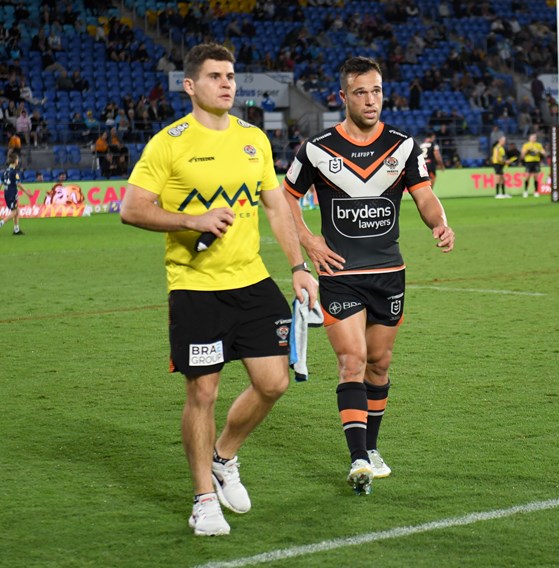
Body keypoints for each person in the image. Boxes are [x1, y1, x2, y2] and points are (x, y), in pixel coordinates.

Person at [119, 43, 319, 537]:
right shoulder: (169, 143)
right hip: (195, 287)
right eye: (215, 76)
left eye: (231, 75)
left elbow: (275, 207)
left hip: (251, 280)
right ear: (191, 86)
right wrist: (194, 219)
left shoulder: (253, 140)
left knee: (274, 382)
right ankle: (203, 500)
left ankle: (223, 457)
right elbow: (132, 208)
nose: (227, 83)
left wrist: (298, 265)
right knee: (202, 392)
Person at [282, 56, 455, 496]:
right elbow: (283, 201)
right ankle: (357, 457)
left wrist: (439, 223)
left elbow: (425, 195)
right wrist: (309, 241)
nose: (371, 99)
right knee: (352, 361)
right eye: (360, 92)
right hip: (339, 275)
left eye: (376, 90)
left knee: (379, 363)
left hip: (389, 275)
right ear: (343, 97)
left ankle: (372, 450)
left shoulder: (403, 146)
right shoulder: (317, 150)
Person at [1, 153, 31, 235]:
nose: (18, 161)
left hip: (6, 193)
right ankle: (1, 223)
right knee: (14, 212)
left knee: (17, 210)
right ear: (15, 161)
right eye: (17, 159)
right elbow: (18, 184)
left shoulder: (4, 172)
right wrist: (27, 192)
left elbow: (0, 184)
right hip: (12, 193)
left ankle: (16, 230)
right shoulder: (14, 172)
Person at [519, 132, 546, 198]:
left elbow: (544, 153)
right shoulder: (526, 145)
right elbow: (522, 156)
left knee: (536, 177)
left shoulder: (538, 145)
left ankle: (536, 191)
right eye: (533, 137)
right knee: (527, 176)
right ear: (529, 138)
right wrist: (527, 150)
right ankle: (525, 191)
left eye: (535, 137)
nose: (534, 138)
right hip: (528, 162)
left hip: (536, 162)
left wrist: (539, 151)